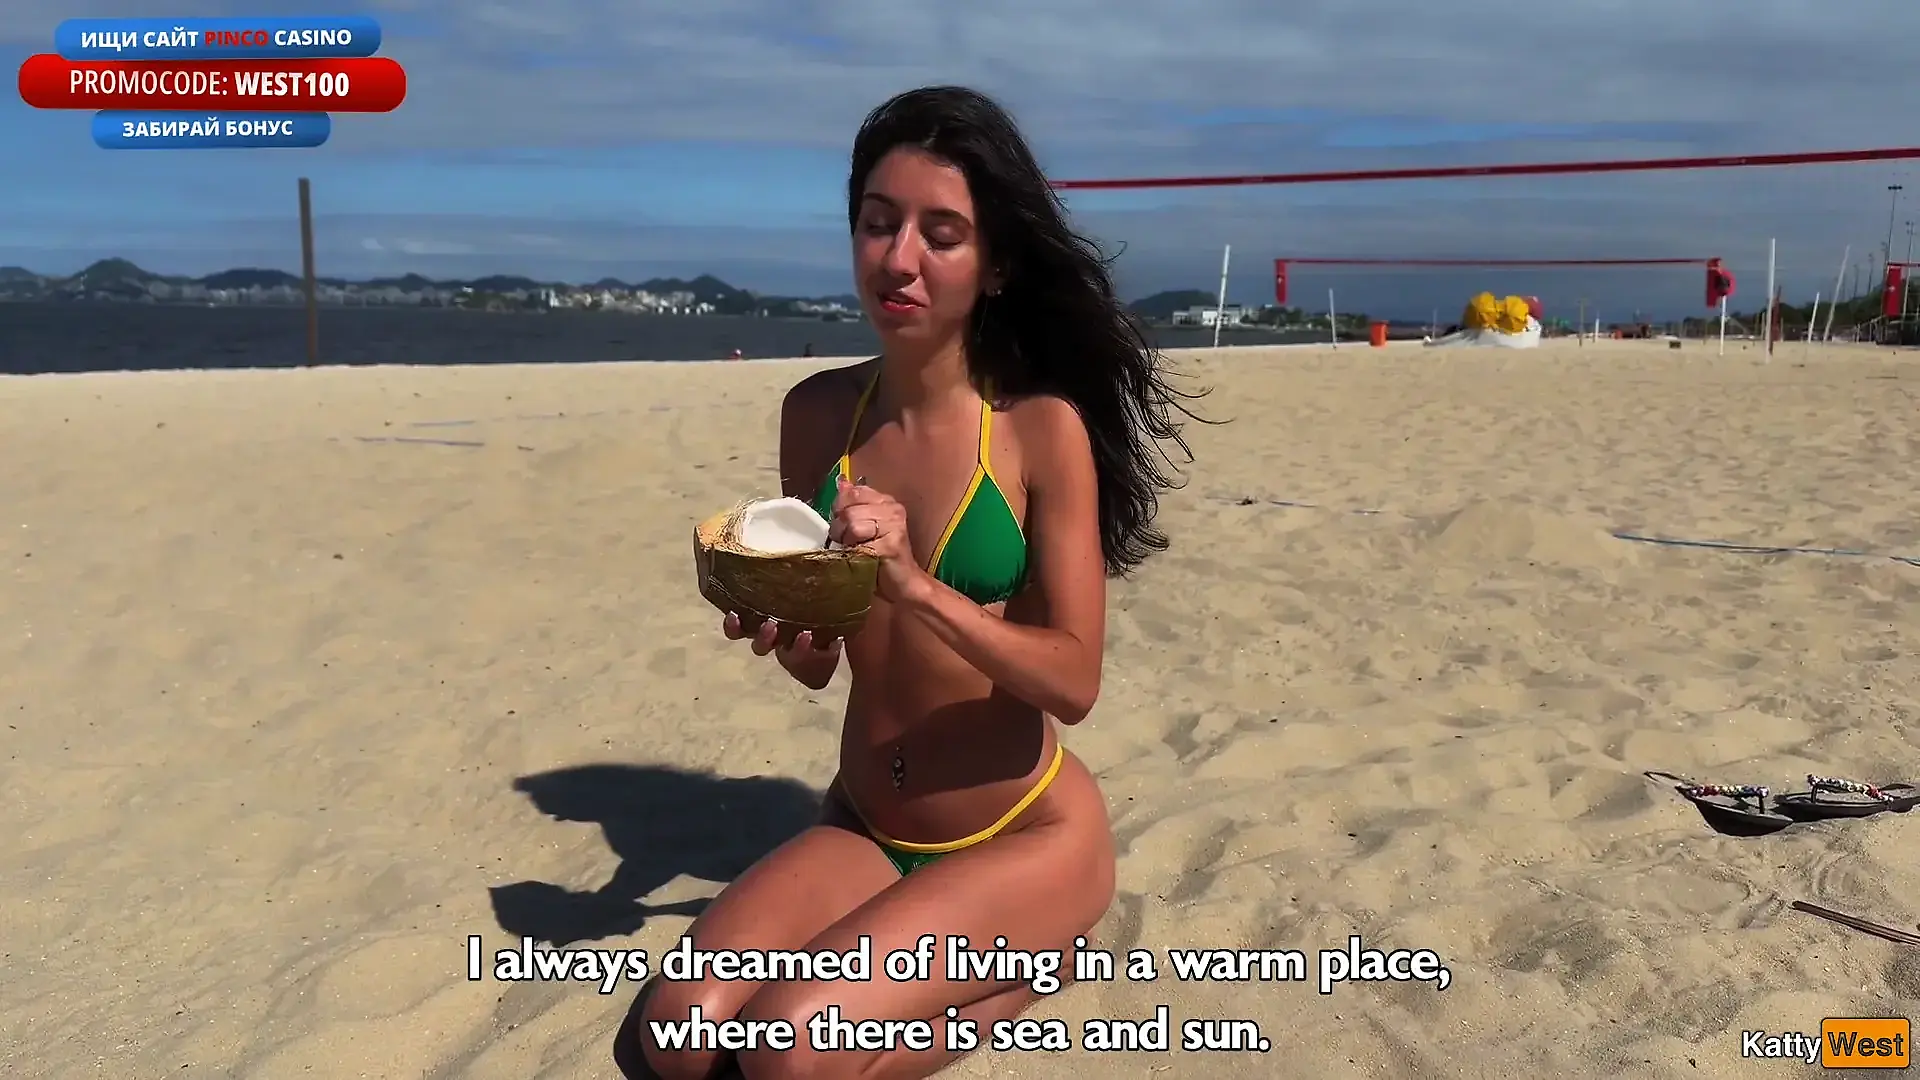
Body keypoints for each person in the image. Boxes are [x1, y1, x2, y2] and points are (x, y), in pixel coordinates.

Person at [617, 85, 1205, 1080]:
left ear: (996, 263)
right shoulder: (818, 416)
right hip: (865, 819)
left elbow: (1073, 682)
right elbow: (824, 665)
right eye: (878, 223)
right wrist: (783, 628)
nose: (899, 259)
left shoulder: (1038, 430)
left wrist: (918, 586)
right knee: (677, 1039)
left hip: (1019, 831)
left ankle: (1027, 971)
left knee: (788, 1052)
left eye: (942, 234)